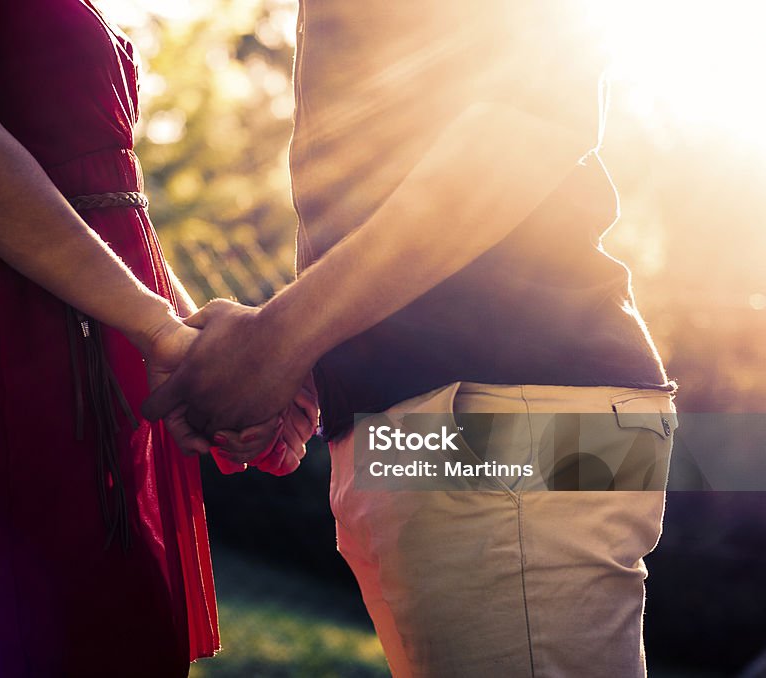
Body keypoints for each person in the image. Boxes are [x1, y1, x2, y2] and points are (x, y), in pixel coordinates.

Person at [146, 2, 678, 676]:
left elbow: (532, 122)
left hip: (506, 427)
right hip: (445, 429)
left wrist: (279, 339)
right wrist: (321, 355)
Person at [0, 0, 316, 675]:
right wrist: (159, 331)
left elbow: (114, 204)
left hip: (111, 339)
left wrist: (206, 351)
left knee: (130, 635)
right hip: (18, 352)